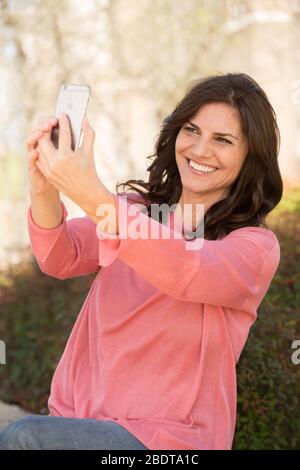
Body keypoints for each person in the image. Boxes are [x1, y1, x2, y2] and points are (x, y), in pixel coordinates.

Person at [0, 72, 282, 450]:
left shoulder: (253, 248)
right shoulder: (134, 212)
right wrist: (43, 185)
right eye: (192, 130)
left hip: (168, 442)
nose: (199, 150)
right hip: (76, 423)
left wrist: (92, 195)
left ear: (251, 156)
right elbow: (59, 255)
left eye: (223, 140)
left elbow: (186, 268)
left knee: (23, 437)